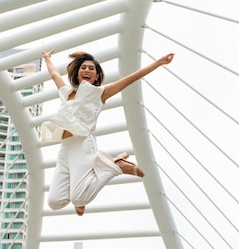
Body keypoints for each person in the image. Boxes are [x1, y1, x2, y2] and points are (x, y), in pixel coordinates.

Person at [42, 49, 174, 216]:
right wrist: (47, 58)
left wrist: (159, 62)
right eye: (84, 67)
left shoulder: (99, 94)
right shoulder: (66, 92)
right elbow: (54, 74)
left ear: (97, 76)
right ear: (77, 74)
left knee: (79, 198)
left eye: (92, 69)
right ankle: (82, 193)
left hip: (83, 144)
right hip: (65, 147)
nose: (87, 70)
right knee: (54, 202)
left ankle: (116, 165)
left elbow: (131, 78)